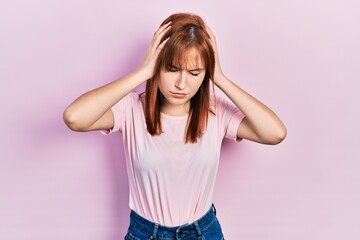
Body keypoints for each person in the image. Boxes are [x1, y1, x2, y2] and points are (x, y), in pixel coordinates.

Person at [63, 12, 286, 240]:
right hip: (146, 234)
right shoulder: (130, 109)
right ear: (157, 65)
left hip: (203, 232)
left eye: (194, 73)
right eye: (171, 69)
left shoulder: (215, 111)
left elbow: (275, 133)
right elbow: (75, 117)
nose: (182, 84)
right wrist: (142, 72)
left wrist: (220, 79)